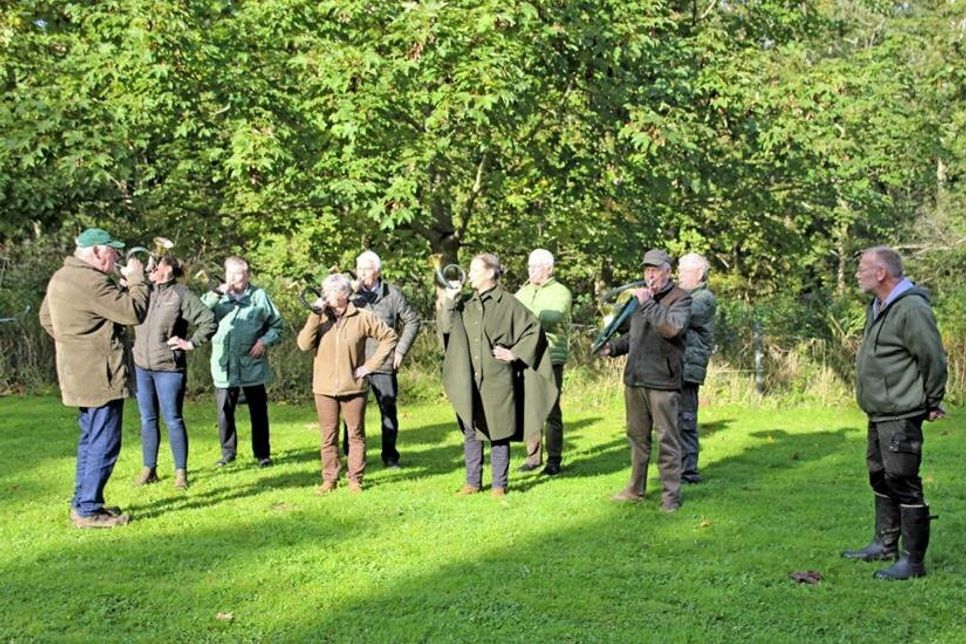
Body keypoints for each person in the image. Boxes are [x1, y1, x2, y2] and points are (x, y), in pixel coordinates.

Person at [842, 246, 947, 580]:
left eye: (862, 268)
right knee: (880, 475)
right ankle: (883, 545)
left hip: (901, 410)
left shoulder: (912, 308)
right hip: (879, 410)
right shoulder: (879, 306)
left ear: (882, 273)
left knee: (903, 480)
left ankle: (912, 562)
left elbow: (932, 357)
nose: (857, 274)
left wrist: (932, 400)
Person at [39, 228, 149, 528]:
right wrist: (137, 279)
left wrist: (74, 343)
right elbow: (133, 311)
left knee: (90, 440)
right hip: (100, 374)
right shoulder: (92, 281)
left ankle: (84, 502)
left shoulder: (61, 277)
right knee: (104, 442)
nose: (116, 256)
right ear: (97, 252)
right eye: (112, 251)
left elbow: (46, 319)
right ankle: (88, 510)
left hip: (78, 373)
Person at [439, 253, 558, 497]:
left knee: (499, 430)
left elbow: (534, 330)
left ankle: (499, 485)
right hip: (469, 378)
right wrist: (450, 300)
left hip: (497, 379)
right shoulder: (466, 304)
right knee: (471, 429)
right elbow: (446, 328)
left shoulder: (508, 303)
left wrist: (514, 353)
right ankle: (472, 482)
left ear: (491, 273)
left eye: (474, 269)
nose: (469, 274)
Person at [601, 249, 691, 512]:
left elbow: (672, 328)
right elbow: (635, 337)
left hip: (663, 382)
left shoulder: (680, 299)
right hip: (636, 379)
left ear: (667, 271)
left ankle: (670, 497)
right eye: (646, 271)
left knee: (667, 440)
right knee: (637, 438)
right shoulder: (641, 301)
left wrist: (648, 303)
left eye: (655, 270)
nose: (649, 276)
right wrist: (614, 348)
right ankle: (635, 490)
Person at [297, 274, 398, 493]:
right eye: (325, 290)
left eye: (331, 291)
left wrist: (370, 366)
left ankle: (355, 479)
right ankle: (329, 479)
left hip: (353, 386)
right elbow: (304, 345)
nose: (326, 295)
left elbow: (389, 336)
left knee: (356, 434)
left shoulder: (362, 317)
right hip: (324, 388)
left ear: (344, 294)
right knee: (328, 435)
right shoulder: (320, 318)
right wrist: (314, 316)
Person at [132, 254, 217, 489]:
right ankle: (149, 469)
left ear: (168, 269)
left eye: (155, 266)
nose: (150, 269)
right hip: (141, 366)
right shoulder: (145, 291)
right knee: (147, 419)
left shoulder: (181, 294)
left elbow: (209, 320)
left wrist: (189, 343)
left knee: (173, 419)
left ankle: (181, 473)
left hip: (169, 368)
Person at [201, 256, 284, 468]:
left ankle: (263, 454)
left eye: (238, 274)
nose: (234, 279)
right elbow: (199, 312)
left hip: (252, 364)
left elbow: (277, 326)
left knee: (258, 411)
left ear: (247, 275)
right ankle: (227, 453)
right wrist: (218, 293)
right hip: (225, 366)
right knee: (224, 412)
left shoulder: (259, 296)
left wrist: (264, 341)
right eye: (230, 274)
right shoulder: (217, 297)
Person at [343, 250, 420, 468]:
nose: (361, 273)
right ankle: (352, 455)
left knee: (388, 410)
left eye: (366, 269)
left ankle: (390, 456)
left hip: (384, 363)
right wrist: (349, 294)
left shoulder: (392, 294)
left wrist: (400, 351)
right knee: (351, 412)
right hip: (355, 362)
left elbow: (412, 321)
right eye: (358, 268)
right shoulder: (350, 295)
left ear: (378, 271)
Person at [514, 248, 572, 476]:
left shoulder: (561, 292)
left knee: (550, 409)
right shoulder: (524, 291)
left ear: (549, 268)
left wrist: (525, 315)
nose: (531, 271)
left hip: (550, 356)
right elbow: (510, 312)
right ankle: (533, 457)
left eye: (535, 266)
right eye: (529, 266)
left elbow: (553, 316)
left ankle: (554, 460)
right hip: (525, 355)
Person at [677, 252, 717, 484]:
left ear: (699, 274)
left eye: (684, 271)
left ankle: (689, 472)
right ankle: (677, 469)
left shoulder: (704, 298)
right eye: (679, 270)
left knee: (686, 419)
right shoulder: (682, 295)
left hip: (689, 366)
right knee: (674, 420)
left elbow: (683, 315)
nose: (679, 275)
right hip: (675, 365)